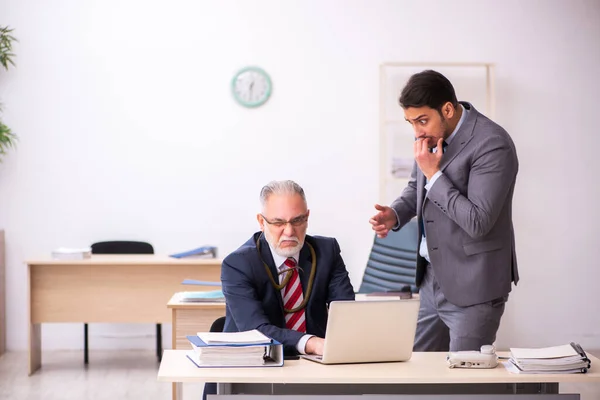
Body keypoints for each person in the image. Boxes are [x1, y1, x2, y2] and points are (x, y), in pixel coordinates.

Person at [369, 70, 519, 352]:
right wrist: (395, 214)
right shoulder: (429, 137)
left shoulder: (492, 144)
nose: (417, 132)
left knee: (464, 382)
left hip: (475, 285)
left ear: (447, 109)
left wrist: (434, 174)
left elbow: (478, 221)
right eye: (410, 122)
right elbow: (417, 187)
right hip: (430, 279)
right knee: (418, 372)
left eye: (422, 120)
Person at [221, 179, 355, 356]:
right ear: (261, 222)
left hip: (317, 365)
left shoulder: (327, 252)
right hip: (255, 363)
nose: (289, 231)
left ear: (307, 217)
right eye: (278, 223)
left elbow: (346, 312)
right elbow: (255, 331)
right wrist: (311, 343)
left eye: (297, 221)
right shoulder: (238, 264)